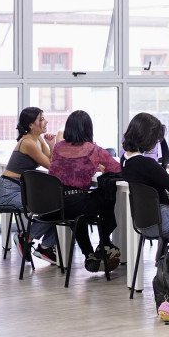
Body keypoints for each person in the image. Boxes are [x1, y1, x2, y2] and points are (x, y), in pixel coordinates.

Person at [49, 110, 122, 273]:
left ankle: (89, 254)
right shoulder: (93, 150)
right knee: (106, 191)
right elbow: (117, 169)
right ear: (89, 129)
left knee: (77, 212)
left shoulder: (58, 147)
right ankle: (105, 241)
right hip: (78, 204)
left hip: (56, 203)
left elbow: (64, 169)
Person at [0, 107, 59, 263]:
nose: (46, 122)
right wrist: (53, 146)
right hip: (8, 192)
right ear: (32, 125)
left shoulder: (38, 139)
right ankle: (26, 237)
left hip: (21, 190)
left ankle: (43, 247)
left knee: (59, 206)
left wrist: (51, 145)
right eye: (41, 119)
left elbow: (51, 162)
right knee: (53, 206)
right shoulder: (28, 142)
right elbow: (51, 166)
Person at [120, 112, 169, 242]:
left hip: (144, 224)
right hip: (165, 223)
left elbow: (149, 178)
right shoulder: (147, 163)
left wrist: (165, 177)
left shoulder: (125, 160)